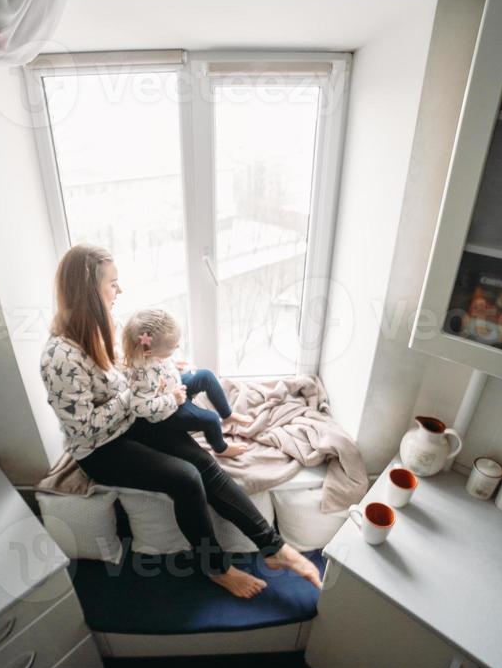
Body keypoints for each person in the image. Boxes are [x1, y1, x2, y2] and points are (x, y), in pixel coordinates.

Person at [40, 244, 321, 599]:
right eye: (113, 283)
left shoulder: (103, 325)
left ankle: (274, 548)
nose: (119, 291)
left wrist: (158, 372)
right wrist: (137, 395)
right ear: (89, 290)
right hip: (101, 448)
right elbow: (85, 426)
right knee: (185, 479)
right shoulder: (58, 357)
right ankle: (215, 568)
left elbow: (128, 369)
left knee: (203, 462)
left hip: (133, 420)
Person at [122, 308, 250, 458]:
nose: (177, 347)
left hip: (175, 387)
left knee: (206, 376)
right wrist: (172, 399)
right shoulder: (140, 377)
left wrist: (176, 366)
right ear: (148, 352)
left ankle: (227, 414)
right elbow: (139, 408)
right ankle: (221, 448)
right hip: (169, 410)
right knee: (211, 419)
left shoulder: (152, 354)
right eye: (173, 347)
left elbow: (161, 365)